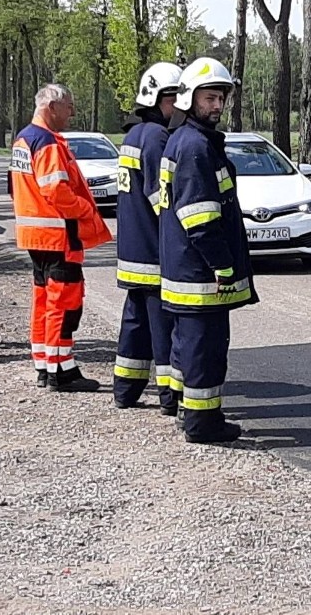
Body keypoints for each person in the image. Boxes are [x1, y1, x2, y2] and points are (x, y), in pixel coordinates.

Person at [159, 57, 259, 443]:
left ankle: (189, 410)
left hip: (185, 270)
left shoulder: (185, 141)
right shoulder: (196, 146)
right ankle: (203, 423)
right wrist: (222, 265)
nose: (217, 106)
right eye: (210, 98)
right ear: (189, 98)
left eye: (221, 99)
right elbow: (199, 218)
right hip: (200, 277)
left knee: (189, 347)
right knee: (206, 350)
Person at [9, 83, 112, 392]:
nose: (72, 113)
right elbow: (56, 190)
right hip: (58, 235)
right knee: (65, 303)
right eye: (68, 106)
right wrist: (84, 208)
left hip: (35, 236)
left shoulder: (23, 140)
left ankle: (44, 364)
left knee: (44, 300)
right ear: (51, 108)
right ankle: (60, 370)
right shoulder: (47, 143)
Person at [113, 62, 183, 412]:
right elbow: (162, 201)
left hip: (131, 251)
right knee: (163, 329)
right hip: (154, 255)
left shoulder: (132, 135)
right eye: (175, 98)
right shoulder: (157, 138)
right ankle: (171, 397)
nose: (180, 105)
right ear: (157, 100)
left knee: (135, 323)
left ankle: (125, 389)